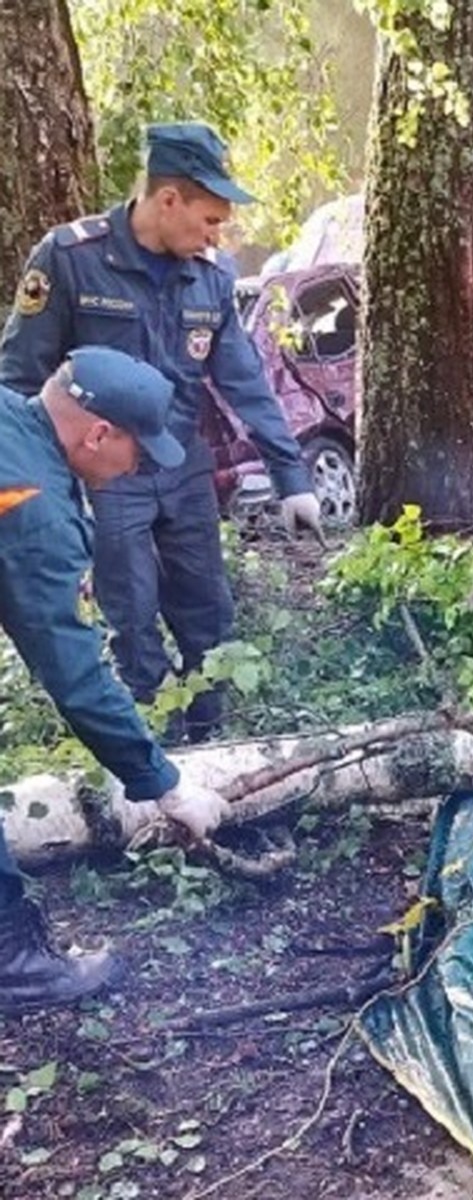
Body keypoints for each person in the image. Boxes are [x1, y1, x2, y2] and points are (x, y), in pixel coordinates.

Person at [0, 122, 323, 745]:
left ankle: (215, 749)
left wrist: (291, 478)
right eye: (209, 219)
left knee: (210, 619)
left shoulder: (210, 278)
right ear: (167, 199)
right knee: (133, 628)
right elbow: (18, 380)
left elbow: (245, 382)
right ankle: (154, 763)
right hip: (107, 479)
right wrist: (37, 497)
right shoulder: (70, 260)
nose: (216, 234)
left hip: (182, 471)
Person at [0, 346, 231, 1014]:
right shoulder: (33, 505)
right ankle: (14, 963)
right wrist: (164, 781)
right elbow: (72, 673)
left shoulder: (15, 425)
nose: (136, 469)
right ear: (98, 433)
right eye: (137, 451)